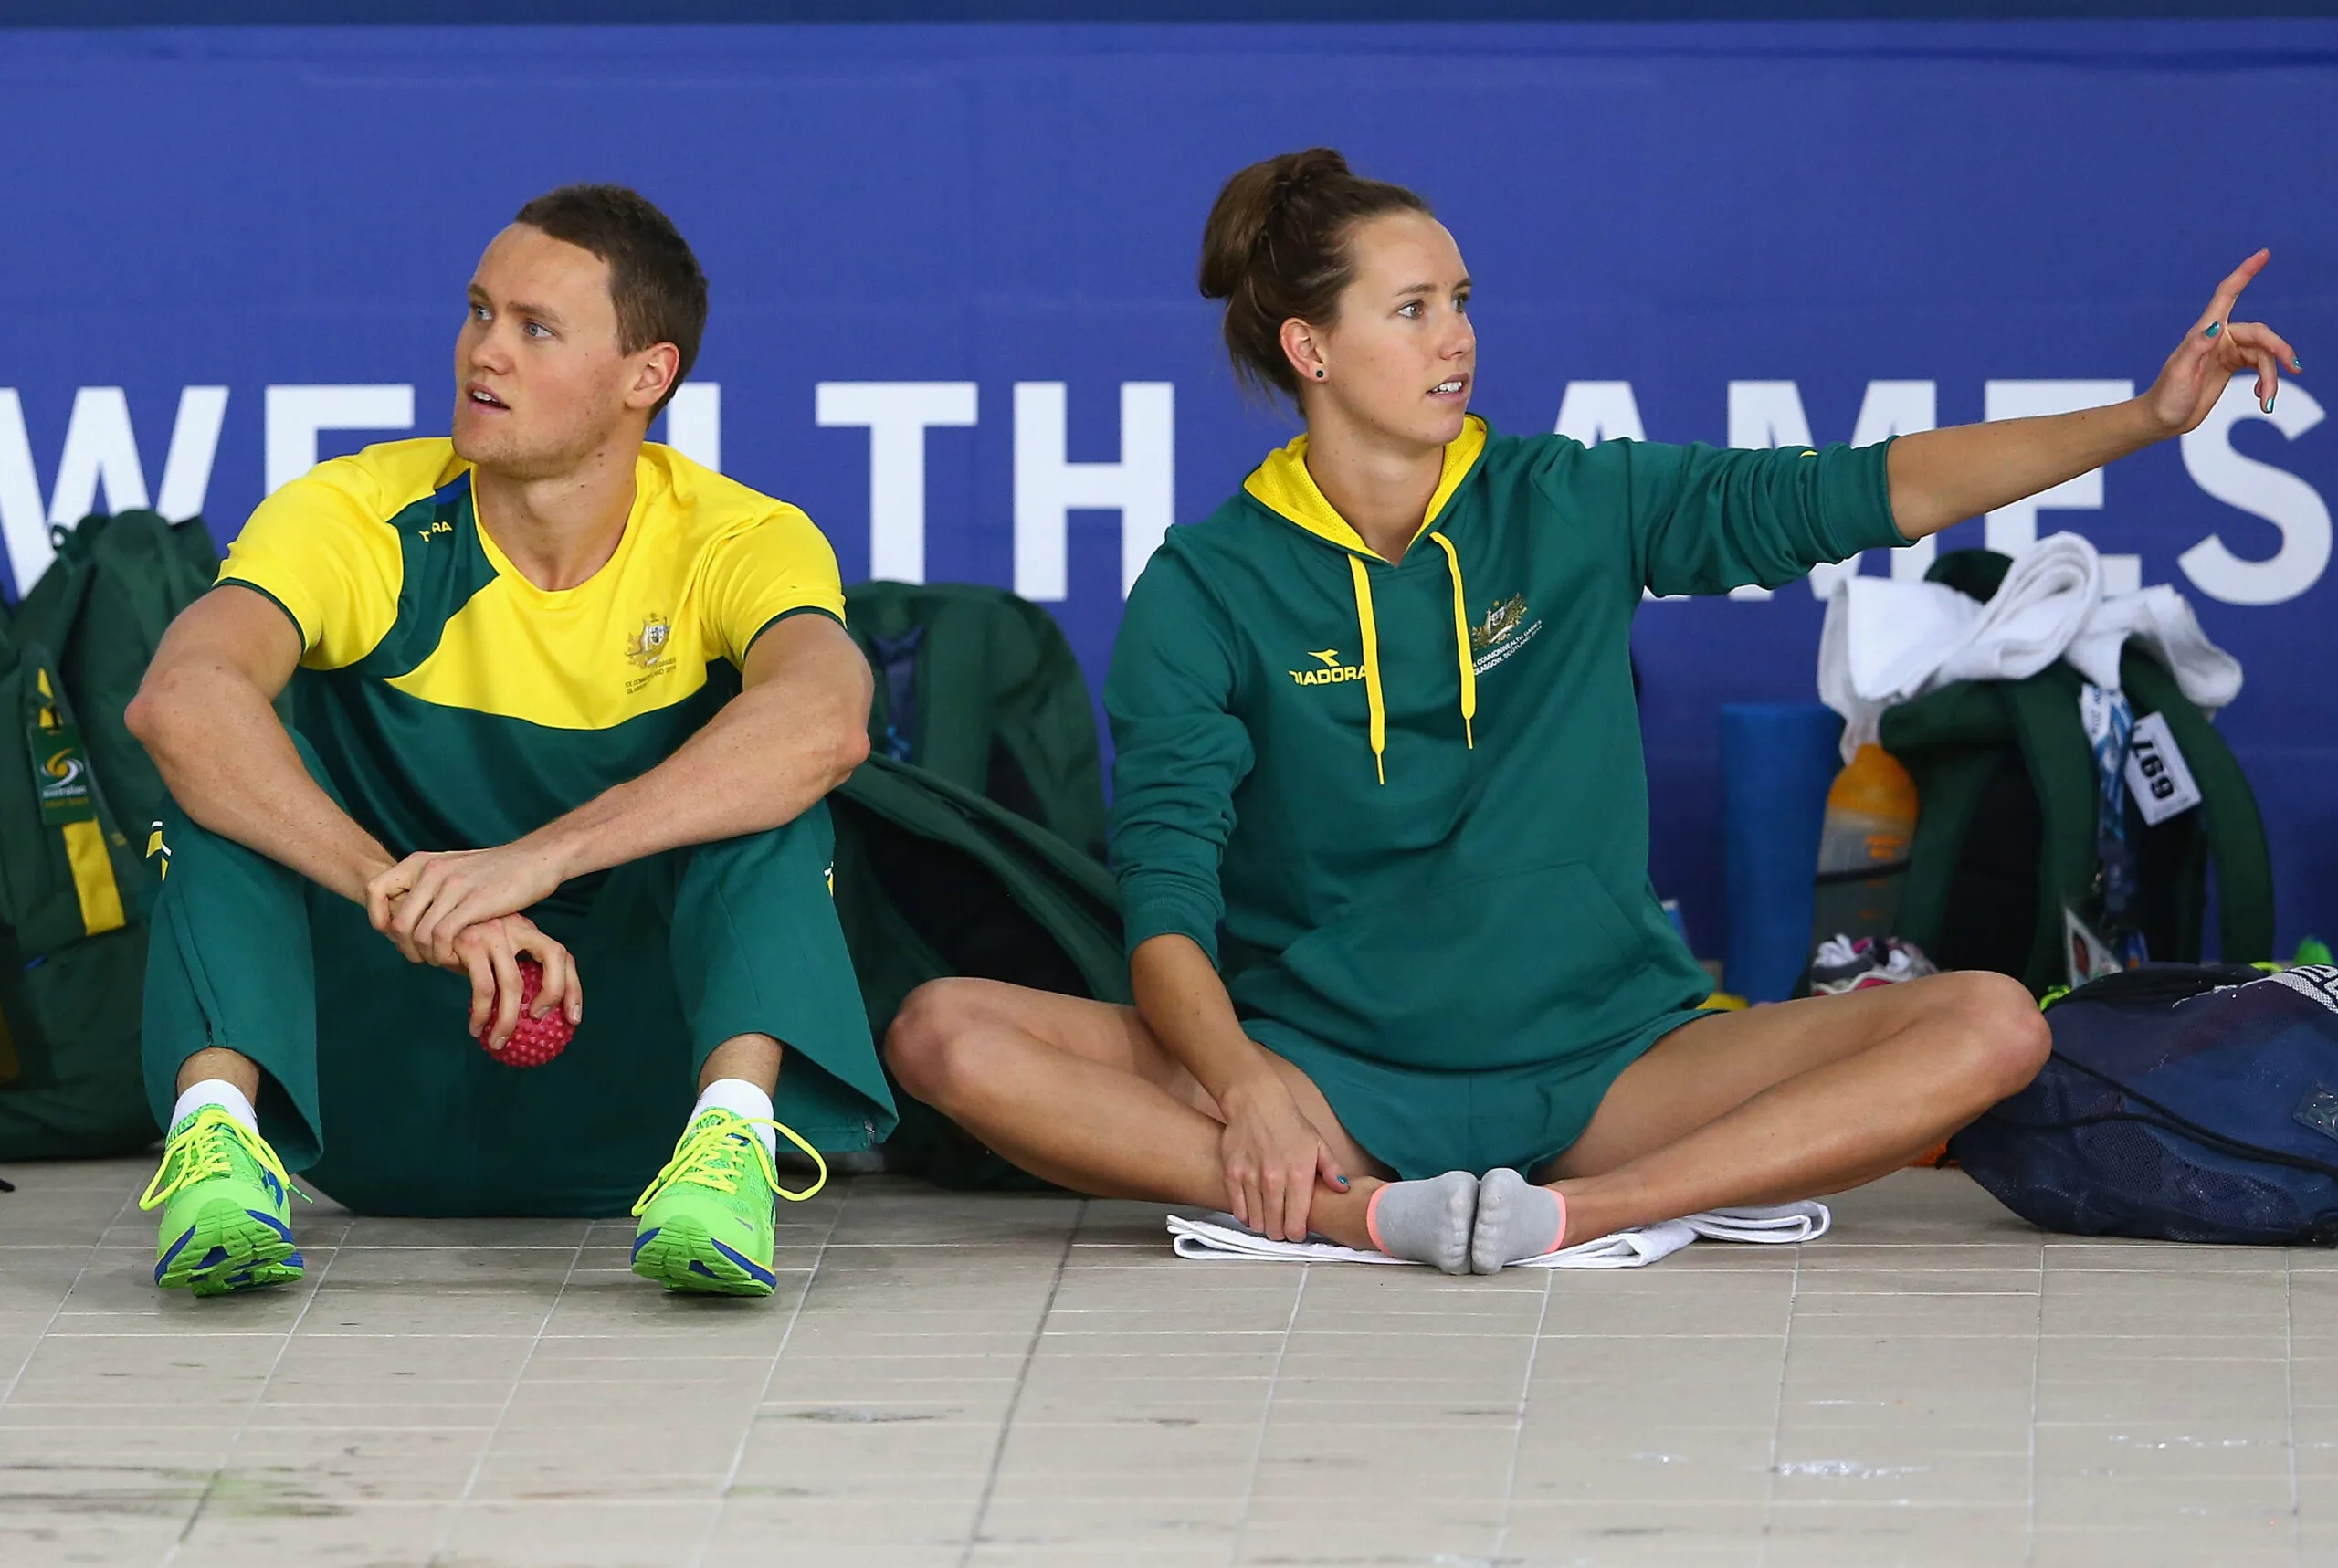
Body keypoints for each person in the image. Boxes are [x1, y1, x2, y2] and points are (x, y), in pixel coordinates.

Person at [886, 148, 2302, 1274]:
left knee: (1994, 1022)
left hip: (1610, 1070)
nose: (1459, 340)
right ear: (1309, 348)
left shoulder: (1568, 500)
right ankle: (1348, 1216)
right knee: (943, 1033)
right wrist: (1246, 1084)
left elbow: (1866, 488)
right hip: (1332, 1080)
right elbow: (1167, 897)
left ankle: (1588, 1216)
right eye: (1414, 308)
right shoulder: (1206, 583)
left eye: (1464, 300)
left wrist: (2142, 419)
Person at [128, 184, 892, 1299]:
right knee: (215, 773)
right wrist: (406, 891)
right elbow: (179, 700)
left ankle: (730, 1149)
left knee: (772, 789)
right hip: (356, 1089)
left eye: (537, 329)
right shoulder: (354, 513)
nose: (486, 353)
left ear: (648, 376)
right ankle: (219, 1152)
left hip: (639, 1088)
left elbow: (828, 721)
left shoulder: (742, 537)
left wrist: (533, 862)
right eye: (479, 312)